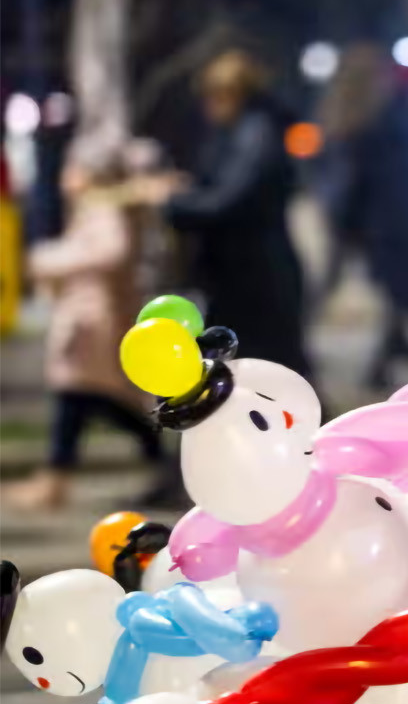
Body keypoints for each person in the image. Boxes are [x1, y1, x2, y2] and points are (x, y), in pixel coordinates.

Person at [2, 140, 167, 512]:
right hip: (89, 316)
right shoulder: (97, 206)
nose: (66, 177)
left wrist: (49, 260)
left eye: (73, 169)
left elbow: (110, 251)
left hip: (92, 319)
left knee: (80, 395)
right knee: (95, 398)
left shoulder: (101, 207)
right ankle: (159, 458)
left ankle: (57, 480)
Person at [153, 49, 312, 378]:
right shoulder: (246, 130)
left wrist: (173, 202)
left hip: (257, 275)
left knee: (276, 373)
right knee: (258, 372)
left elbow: (230, 199)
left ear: (232, 95)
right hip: (242, 272)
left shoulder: (255, 132)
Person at [317, 42, 408, 391]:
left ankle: (400, 361)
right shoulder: (398, 116)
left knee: (407, 301)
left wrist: (343, 225)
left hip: (384, 229)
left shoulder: (361, 123)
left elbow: (350, 184)